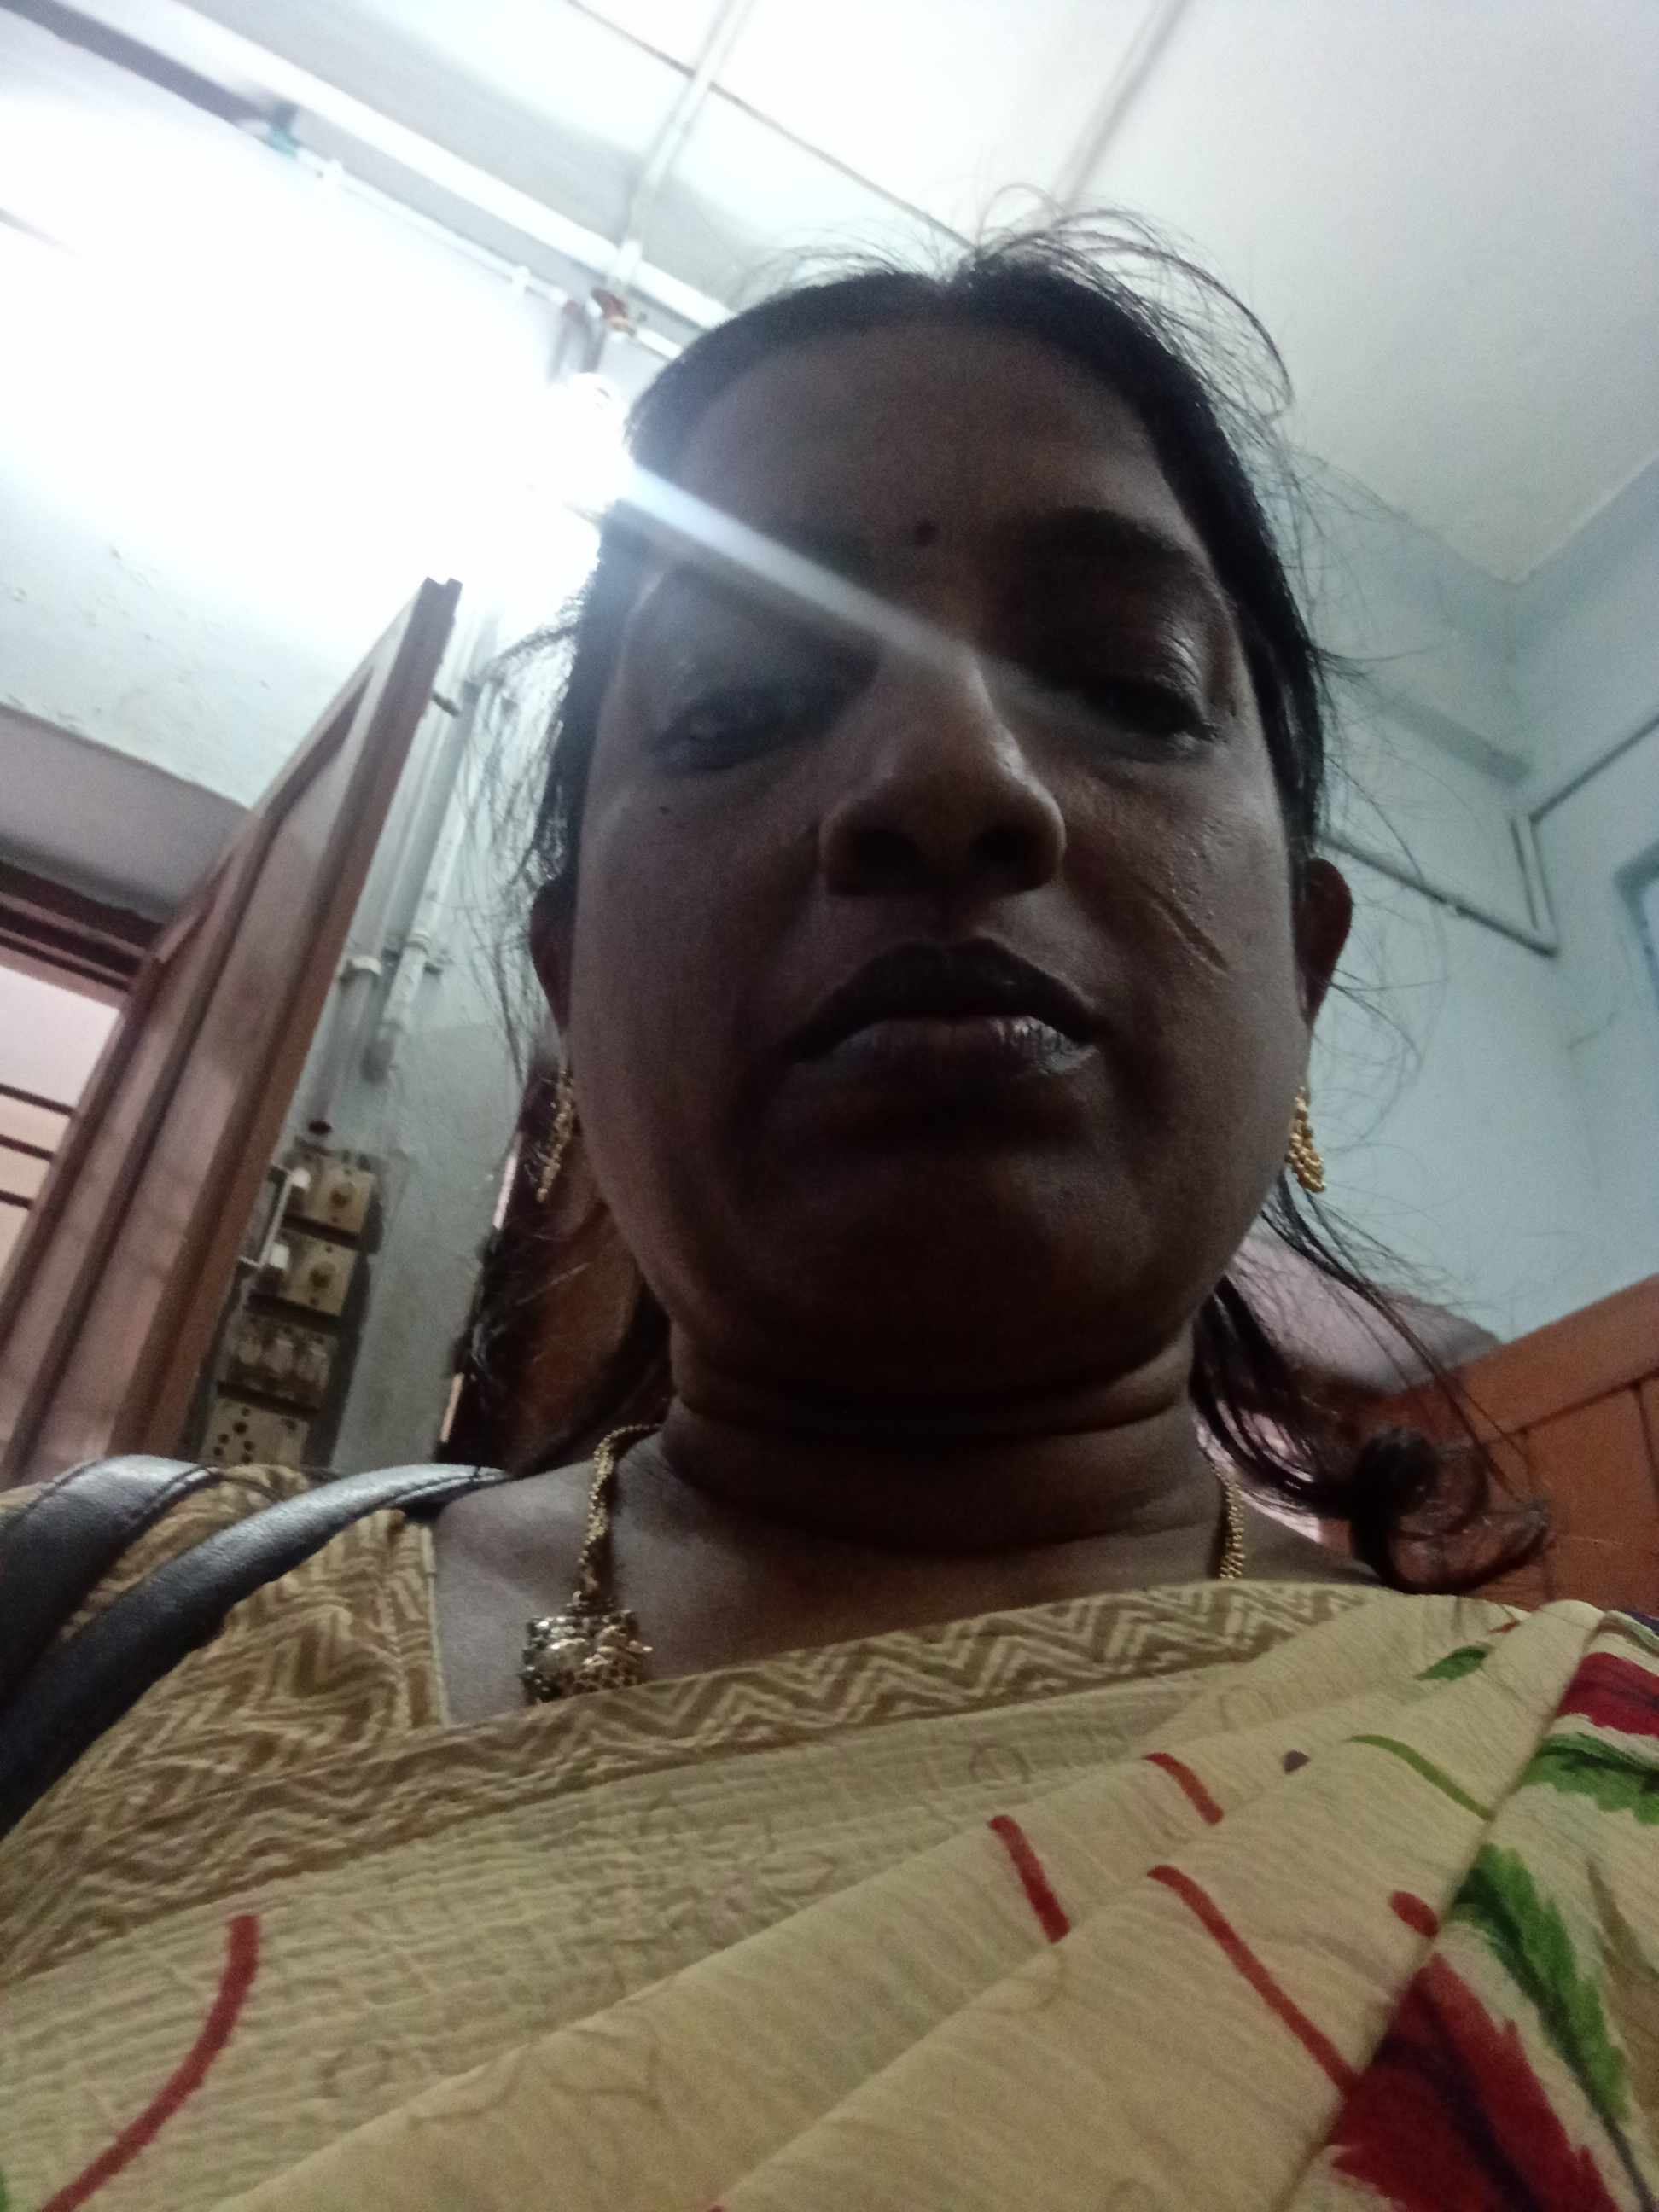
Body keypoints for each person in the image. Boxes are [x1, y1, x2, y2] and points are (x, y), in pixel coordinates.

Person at [4, 222, 1656, 2212]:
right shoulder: (86, 1637)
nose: (952, 774)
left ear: (1300, 974)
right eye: (736, 706)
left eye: (1124, 685)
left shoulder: (1583, 1812)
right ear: (573, 995)